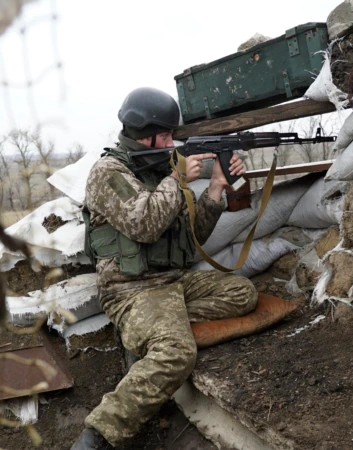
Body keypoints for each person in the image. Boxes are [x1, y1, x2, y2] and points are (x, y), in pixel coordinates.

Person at [71, 87, 258, 449]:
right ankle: (97, 436)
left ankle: (160, 327)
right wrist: (179, 178)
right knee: (177, 353)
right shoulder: (108, 172)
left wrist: (217, 187)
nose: (173, 142)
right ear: (145, 132)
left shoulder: (163, 170)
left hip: (173, 282)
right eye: (168, 135)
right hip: (131, 289)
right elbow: (144, 224)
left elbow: (191, 236)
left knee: (242, 292)